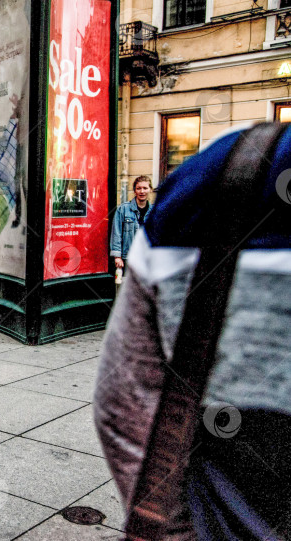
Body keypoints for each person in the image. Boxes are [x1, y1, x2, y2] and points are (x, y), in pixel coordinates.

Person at [94, 123, 291, 539]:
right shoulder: (210, 182)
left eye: (148, 187)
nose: (144, 192)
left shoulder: (218, 175)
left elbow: (125, 404)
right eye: (141, 188)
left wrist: (176, 531)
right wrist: (118, 260)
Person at [110, 175, 152, 273]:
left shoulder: (154, 211)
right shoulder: (123, 209)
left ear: (150, 190)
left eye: (145, 188)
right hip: (128, 258)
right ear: (134, 191)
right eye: (139, 188)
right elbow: (116, 233)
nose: (142, 191)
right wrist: (117, 257)